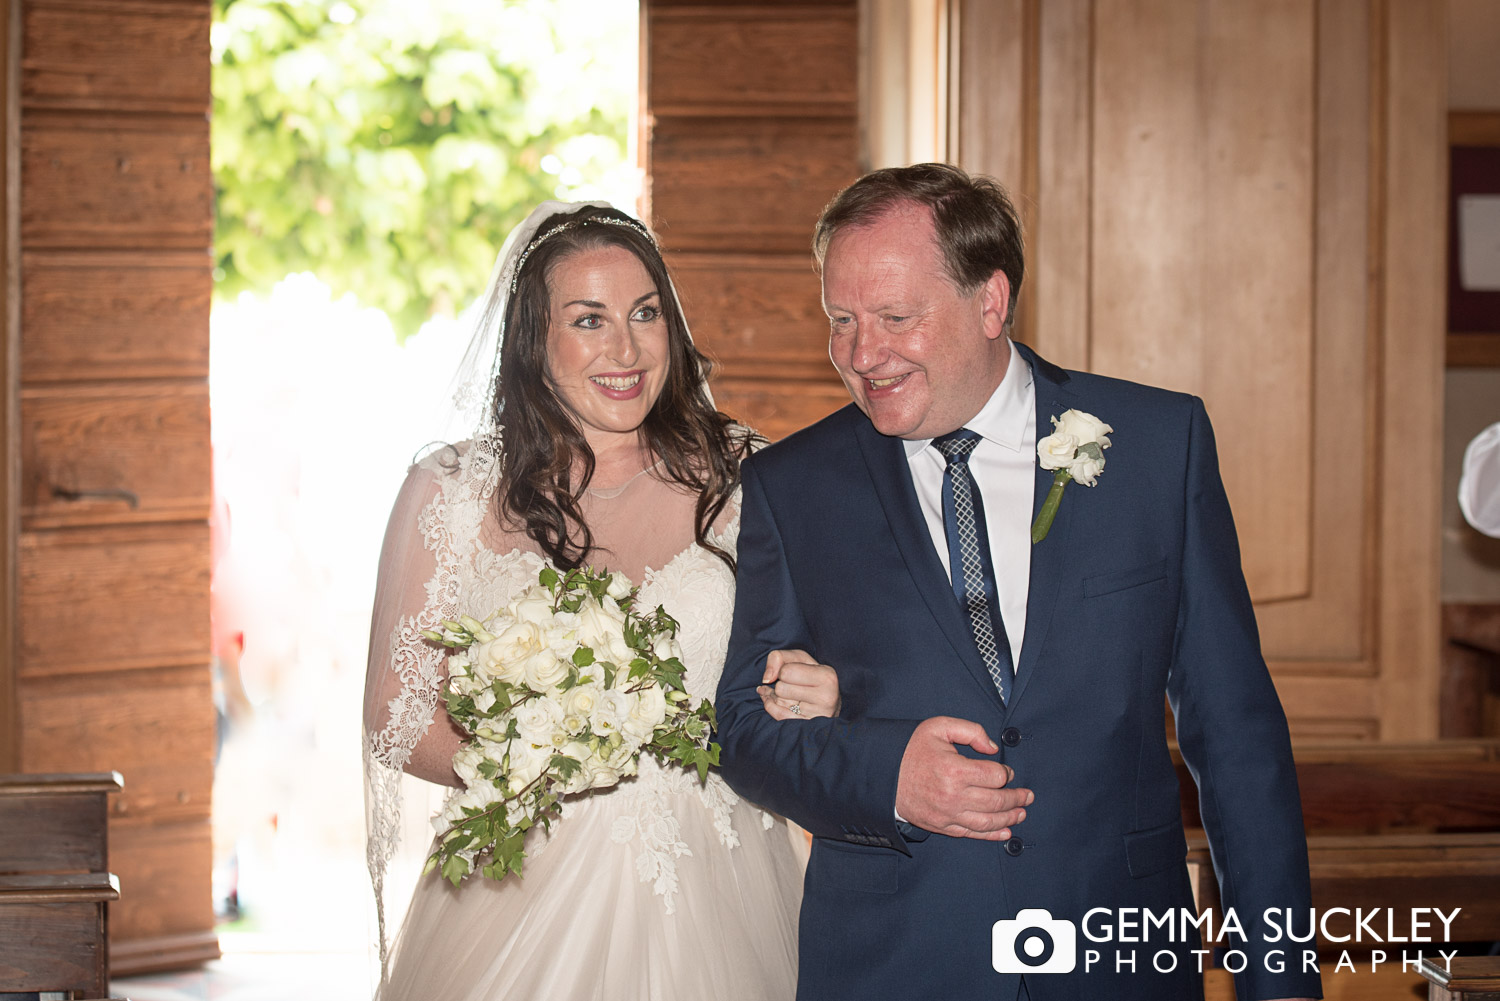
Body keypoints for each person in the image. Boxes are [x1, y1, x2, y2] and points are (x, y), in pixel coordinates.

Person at [716, 164, 1322, 1001]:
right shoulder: (794, 486)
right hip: (898, 960)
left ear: (990, 302)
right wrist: (886, 773)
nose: (862, 355)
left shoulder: (1156, 444)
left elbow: (1237, 734)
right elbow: (741, 730)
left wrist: (1281, 977)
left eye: (896, 318)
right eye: (841, 320)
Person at [362, 201, 838, 1000]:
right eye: (589, 320)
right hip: (519, 883)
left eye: (645, 313)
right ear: (534, 343)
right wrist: (534, 757)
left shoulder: (749, 477)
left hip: (720, 873)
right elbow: (396, 717)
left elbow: (816, 656)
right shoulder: (450, 491)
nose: (626, 349)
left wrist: (813, 693)